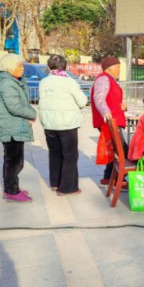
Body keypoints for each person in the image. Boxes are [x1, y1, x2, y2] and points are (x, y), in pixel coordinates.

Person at [0, 53, 37, 202]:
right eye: (19, 66)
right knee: (14, 161)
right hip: (10, 128)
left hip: (13, 126)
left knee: (13, 160)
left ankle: (10, 188)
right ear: (9, 68)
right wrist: (32, 113)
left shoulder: (12, 81)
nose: (22, 69)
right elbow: (14, 106)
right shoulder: (7, 84)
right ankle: (12, 191)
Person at [38, 55, 88, 195]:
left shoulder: (44, 82)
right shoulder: (69, 81)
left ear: (49, 67)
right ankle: (67, 187)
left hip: (49, 124)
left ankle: (55, 182)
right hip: (67, 124)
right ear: (65, 66)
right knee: (69, 155)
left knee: (54, 153)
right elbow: (82, 101)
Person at [91, 56, 128, 186]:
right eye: (118, 67)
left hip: (113, 121)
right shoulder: (103, 78)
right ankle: (117, 179)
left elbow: (111, 99)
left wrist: (121, 106)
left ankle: (108, 178)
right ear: (110, 68)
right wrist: (106, 113)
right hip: (110, 122)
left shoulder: (110, 79)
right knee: (122, 151)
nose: (119, 70)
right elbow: (99, 98)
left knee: (115, 150)